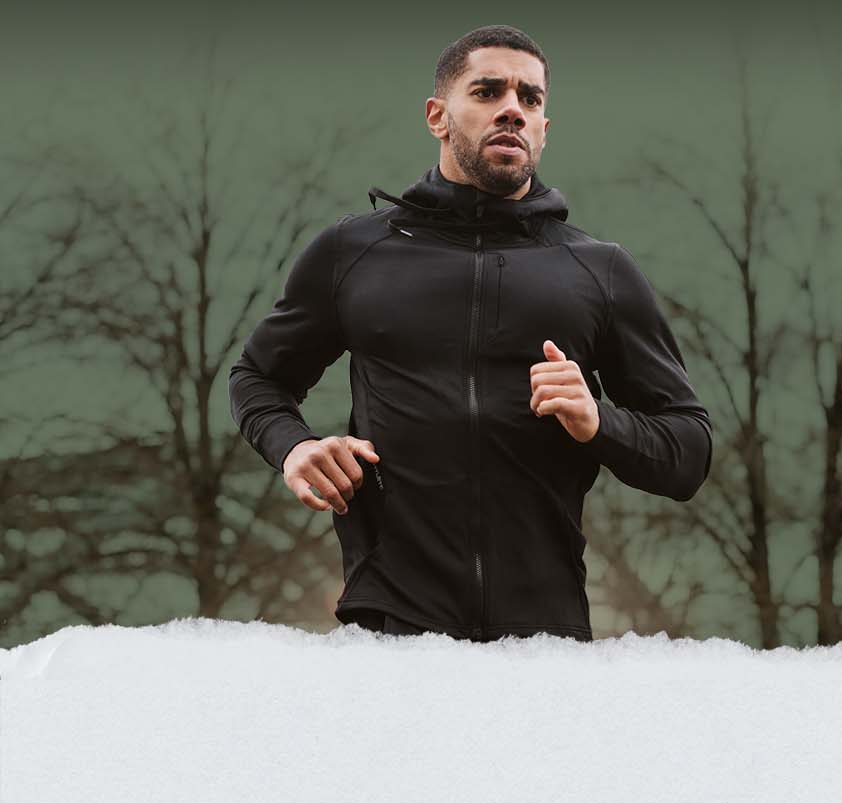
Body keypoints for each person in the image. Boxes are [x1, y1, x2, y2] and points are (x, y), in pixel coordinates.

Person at [228, 24, 713, 643]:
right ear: (438, 115)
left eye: (530, 99)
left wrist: (599, 422)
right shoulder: (354, 252)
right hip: (392, 630)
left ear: (543, 127)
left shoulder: (600, 270)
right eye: (487, 91)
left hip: (546, 641)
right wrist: (293, 446)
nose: (512, 108)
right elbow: (257, 378)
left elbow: (688, 450)